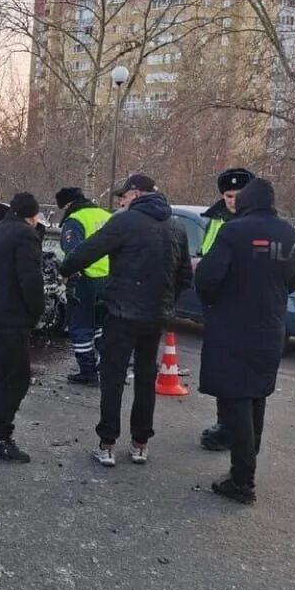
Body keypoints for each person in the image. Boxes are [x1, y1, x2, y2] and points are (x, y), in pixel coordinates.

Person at [59, 174, 192, 467]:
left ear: (137, 194)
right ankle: (140, 444)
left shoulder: (124, 222)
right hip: (156, 316)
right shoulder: (176, 226)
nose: (121, 201)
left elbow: (86, 252)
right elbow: (185, 276)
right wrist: (165, 301)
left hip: (121, 313)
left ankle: (107, 444)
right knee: (146, 379)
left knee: (113, 378)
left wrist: (66, 267)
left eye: (124, 196)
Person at [195, 178, 295, 503]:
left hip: (233, 328)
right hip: (270, 329)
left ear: (245, 202)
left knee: (235, 399)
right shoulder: (293, 236)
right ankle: (248, 462)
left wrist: (215, 301)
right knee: (257, 395)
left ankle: (242, 480)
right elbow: (291, 283)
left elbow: (208, 278)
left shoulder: (234, 231)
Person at [0, 192, 46, 463]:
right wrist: (37, 312)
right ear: (32, 215)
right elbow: (30, 281)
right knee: (16, 379)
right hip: (11, 320)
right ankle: (0, 437)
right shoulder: (25, 237)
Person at [199, 167, 256, 452]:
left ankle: (240, 433)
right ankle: (226, 424)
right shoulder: (218, 219)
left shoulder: (256, 222)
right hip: (220, 305)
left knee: (244, 376)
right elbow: (207, 255)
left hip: (246, 308)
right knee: (223, 371)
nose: (232, 200)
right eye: (228, 195)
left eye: (238, 195)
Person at [55, 187, 111, 386]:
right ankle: (104, 365)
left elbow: (74, 254)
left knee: (80, 327)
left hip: (86, 280)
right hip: (109, 279)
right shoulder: (106, 215)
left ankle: (87, 371)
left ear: (68, 205)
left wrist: (65, 275)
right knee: (100, 325)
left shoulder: (75, 220)